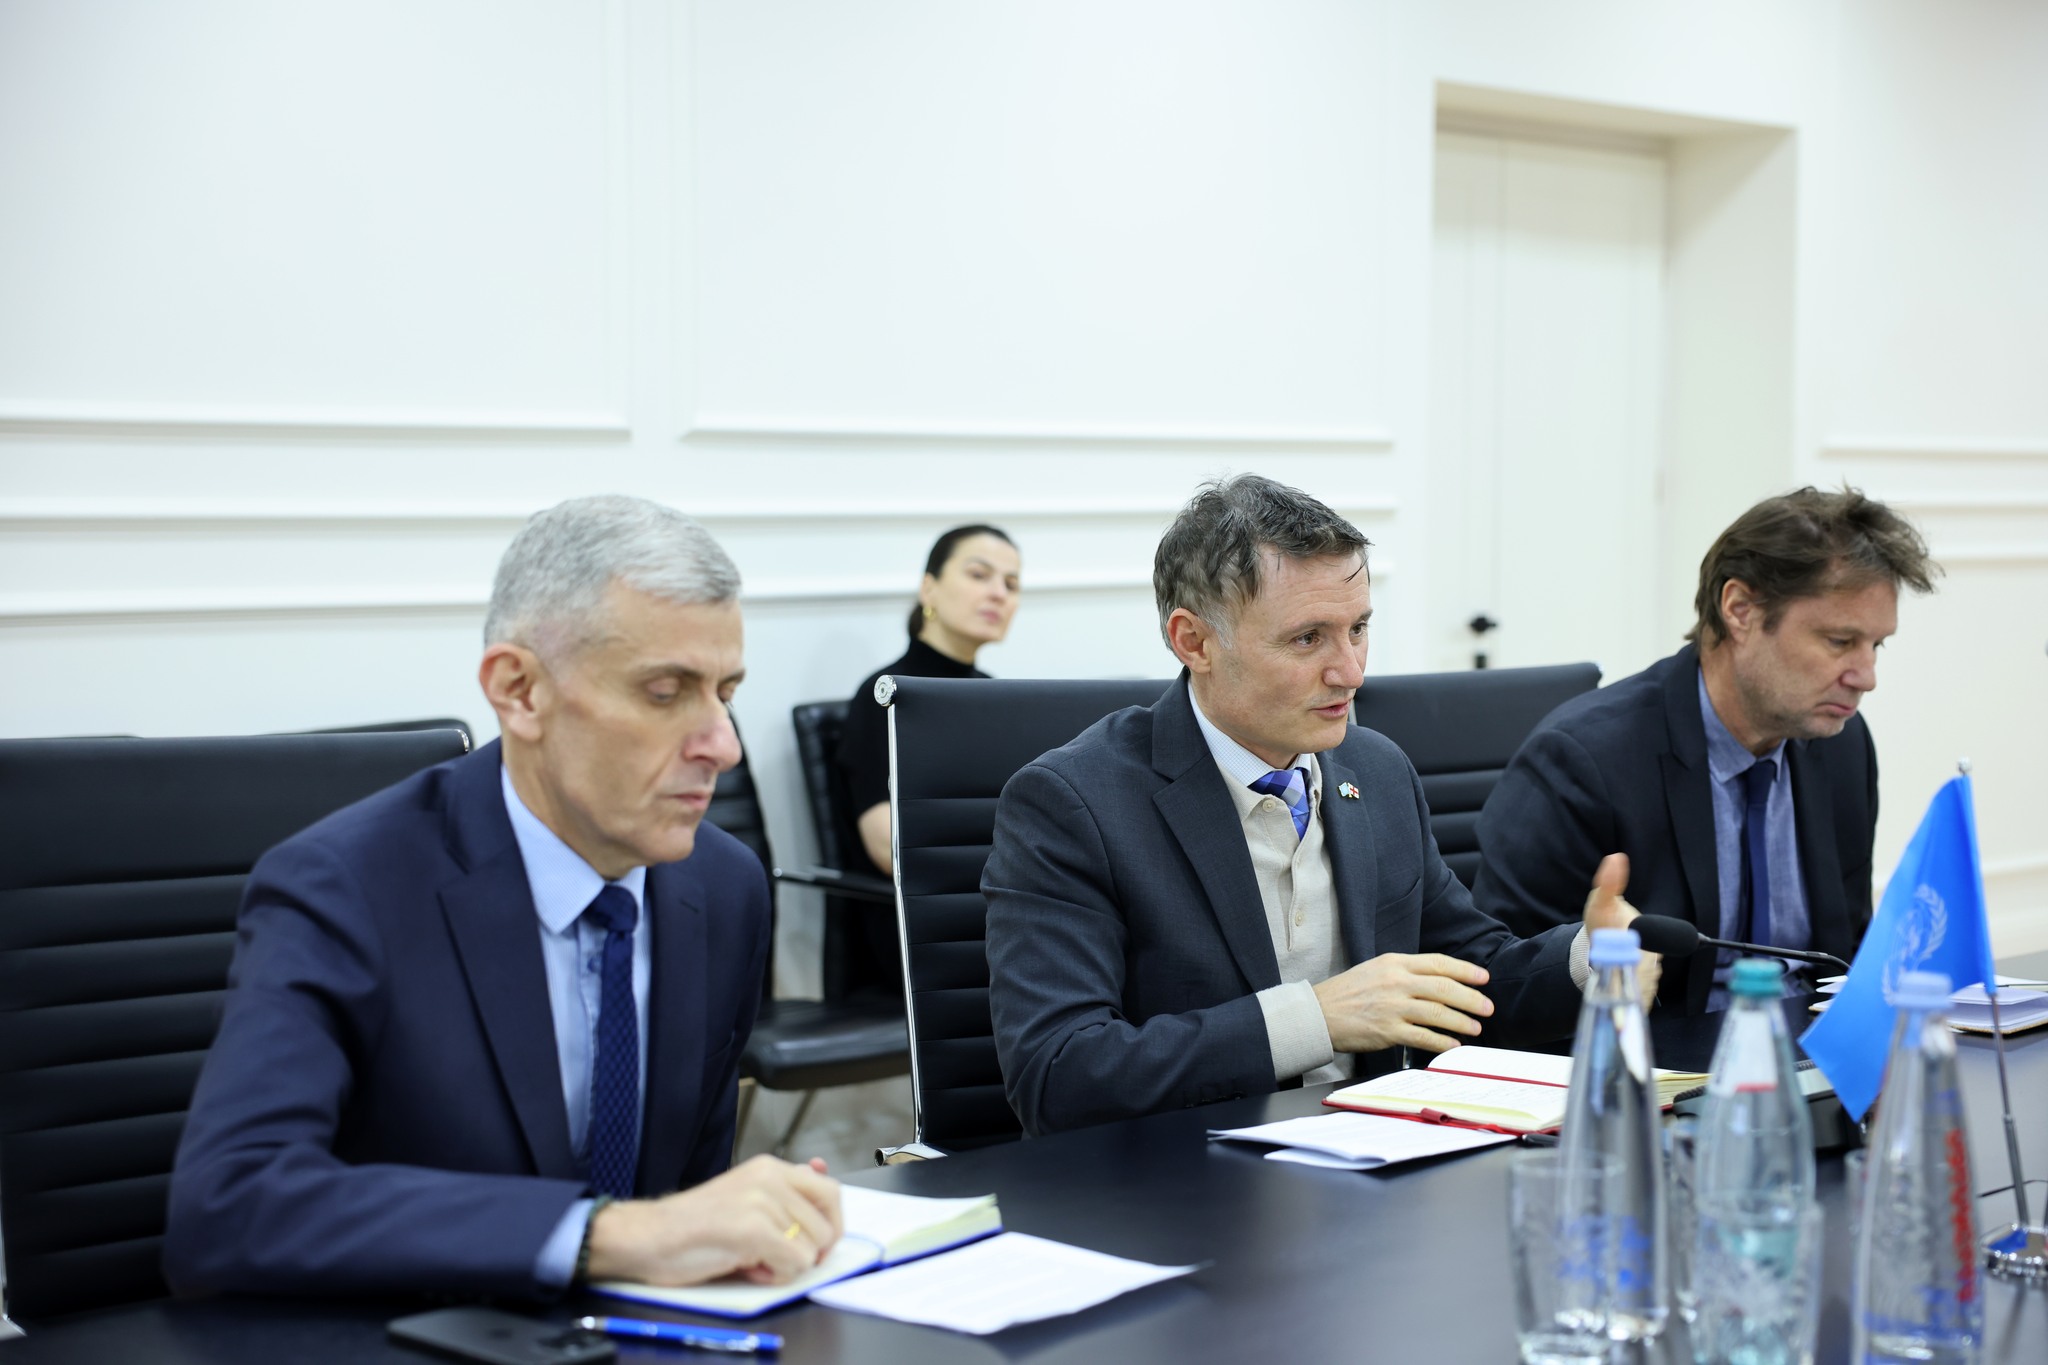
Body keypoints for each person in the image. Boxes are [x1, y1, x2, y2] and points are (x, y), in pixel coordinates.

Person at [165, 495, 843, 1298]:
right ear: (519, 690)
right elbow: (229, 1204)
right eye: (666, 692)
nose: (722, 744)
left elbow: (686, 1193)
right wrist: (605, 1235)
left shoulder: (723, 885)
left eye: (726, 690)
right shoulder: (345, 887)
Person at [983, 475, 1650, 1137]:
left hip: (1378, 1159)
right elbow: (1058, 1075)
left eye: (1358, 628)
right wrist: (1316, 1019)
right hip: (1188, 1175)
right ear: (1194, 642)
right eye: (1307, 638)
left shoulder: (1376, 769)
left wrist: (1590, 958)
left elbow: (1464, 977)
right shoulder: (1072, 804)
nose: (1351, 671)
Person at [1473, 486, 1937, 1014]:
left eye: (1876, 645)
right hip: (1661, 1055)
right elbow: (1498, 985)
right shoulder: (1583, 761)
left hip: (1813, 1045)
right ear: (1740, 610)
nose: (1866, 677)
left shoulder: (1840, 745)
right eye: (1839, 642)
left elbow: (1844, 953)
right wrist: (1592, 963)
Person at [838, 523, 1021, 877]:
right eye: (979, 575)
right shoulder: (887, 694)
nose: (999, 593)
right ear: (929, 588)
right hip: (931, 898)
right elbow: (887, 846)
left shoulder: (996, 696)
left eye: (1011, 584)